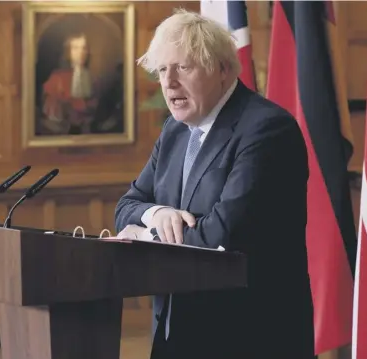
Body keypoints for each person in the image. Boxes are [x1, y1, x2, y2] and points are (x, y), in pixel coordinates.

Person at [114, 10, 315, 359]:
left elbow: (220, 234)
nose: (169, 82)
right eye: (162, 69)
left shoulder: (267, 129)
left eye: (184, 67)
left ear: (223, 68)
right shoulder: (175, 131)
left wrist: (144, 235)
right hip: (175, 335)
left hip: (249, 337)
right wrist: (158, 213)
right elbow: (126, 207)